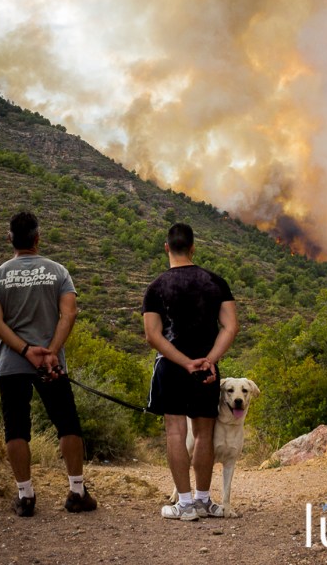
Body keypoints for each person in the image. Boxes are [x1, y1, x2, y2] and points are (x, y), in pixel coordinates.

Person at [0, 211, 97, 517]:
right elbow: (69, 314)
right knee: (67, 423)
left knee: (16, 428)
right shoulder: (58, 271)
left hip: (11, 363)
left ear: (10, 239)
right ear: (38, 238)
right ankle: (76, 491)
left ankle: (26, 496)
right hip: (52, 365)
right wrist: (50, 351)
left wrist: (24, 349)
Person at [142, 222, 239, 521]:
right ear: (194, 247)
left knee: (175, 431)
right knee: (203, 434)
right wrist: (208, 359)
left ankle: (184, 505)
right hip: (206, 370)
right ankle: (204, 500)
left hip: (171, 368)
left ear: (167, 248)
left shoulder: (156, 286)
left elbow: (153, 335)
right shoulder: (216, 282)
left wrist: (183, 362)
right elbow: (231, 326)